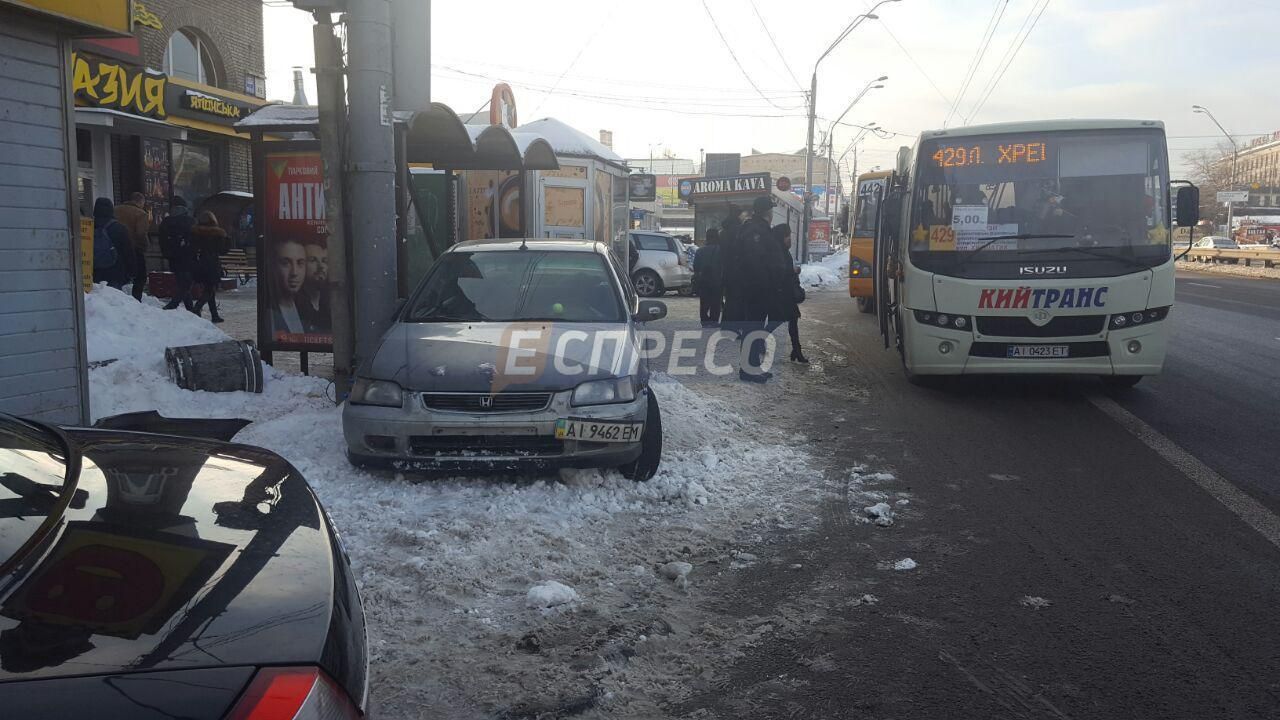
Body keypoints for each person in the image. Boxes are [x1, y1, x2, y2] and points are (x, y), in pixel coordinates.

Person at [735, 196, 787, 382]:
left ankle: (752, 367)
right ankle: (749, 370)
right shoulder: (755, 231)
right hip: (757, 289)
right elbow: (755, 261)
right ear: (767, 212)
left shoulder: (757, 229)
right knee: (753, 328)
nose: (772, 213)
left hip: (758, 288)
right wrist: (766, 284)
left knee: (754, 328)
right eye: (771, 210)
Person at [767, 224, 808, 363]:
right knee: (777, 320)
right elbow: (779, 272)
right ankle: (757, 341)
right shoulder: (777, 251)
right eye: (787, 236)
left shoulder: (783, 250)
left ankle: (797, 350)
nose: (789, 239)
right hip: (781, 292)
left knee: (792, 319)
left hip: (786, 292)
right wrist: (793, 271)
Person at [270, 238, 320, 337]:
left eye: (300, 263)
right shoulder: (269, 313)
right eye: (286, 263)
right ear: (273, 266)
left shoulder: (307, 307)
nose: (294, 273)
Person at [159, 196, 196, 312]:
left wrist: (167, 253)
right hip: (187, 256)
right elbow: (195, 238)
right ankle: (173, 304)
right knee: (187, 283)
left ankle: (191, 310)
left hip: (173, 258)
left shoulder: (166, 222)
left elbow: (161, 240)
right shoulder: (190, 221)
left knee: (181, 282)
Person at [190, 211, 227, 323]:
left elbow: (192, 248)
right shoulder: (218, 233)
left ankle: (214, 315)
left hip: (200, 262)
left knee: (209, 289)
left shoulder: (195, 232)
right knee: (210, 289)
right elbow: (223, 250)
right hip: (212, 263)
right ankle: (197, 307)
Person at [114, 192, 150, 301]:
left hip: (115, 248)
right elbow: (141, 233)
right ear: (140, 202)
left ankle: (114, 298)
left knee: (118, 275)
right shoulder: (141, 214)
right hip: (134, 249)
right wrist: (145, 246)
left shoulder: (115, 209)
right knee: (140, 277)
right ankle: (136, 300)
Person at [91, 197, 133, 290]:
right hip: (115, 271)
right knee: (114, 300)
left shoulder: (89, 227)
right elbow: (128, 252)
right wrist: (130, 272)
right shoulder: (119, 228)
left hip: (94, 272)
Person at [694, 227, 723, 326]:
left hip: (703, 280)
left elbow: (695, 267)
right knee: (716, 302)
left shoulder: (700, 251)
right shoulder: (721, 250)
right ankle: (714, 320)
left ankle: (704, 320)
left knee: (704, 302)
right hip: (717, 280)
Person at [303, 238, 331, 333]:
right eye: (313, 260)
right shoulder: (295, 305)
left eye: (324, 261)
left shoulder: (330, 301)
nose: (321, 266)